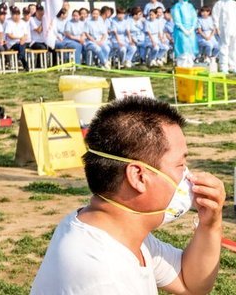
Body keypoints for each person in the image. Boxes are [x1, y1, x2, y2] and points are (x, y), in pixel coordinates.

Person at [30, 96, 225, 294]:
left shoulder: (116, 231)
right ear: (138, 176)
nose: (189, 177)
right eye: (180, 165)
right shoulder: (103, 277)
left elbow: (189, 283)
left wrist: (210, 225)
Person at [212, 0, 236, 74]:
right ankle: (223, 67)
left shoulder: (235, 4)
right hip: (224, 30)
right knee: (224, 47)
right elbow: (215, 16)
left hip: (234, 30)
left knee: (234, 48)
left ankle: (233, 66)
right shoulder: (220, 4)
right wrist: (216, 27)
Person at [171, 0, 199, 67]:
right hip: (181, 31)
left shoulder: (190, 6)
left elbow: (194, 17)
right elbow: (177, 19)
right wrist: (183, 29)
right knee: (182, 48)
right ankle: (182, 66)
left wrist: (192, 28)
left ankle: (190, 65)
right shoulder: (177, 6)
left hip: (191, 31)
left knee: (191, 48)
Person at [4, 7, 30, 71]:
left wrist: (22, 39)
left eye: (18, 14)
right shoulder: (9, 23)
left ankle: (21, 60)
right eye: (14, 14)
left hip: (22, 42)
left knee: (22, 45)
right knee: (21, 46)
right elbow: (9, 35)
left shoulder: (23, 23)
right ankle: (22, 60)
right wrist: (19, 38)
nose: (16, 16)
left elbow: (26, 35)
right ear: (12, 15)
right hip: (12, 43)